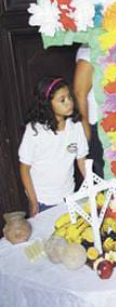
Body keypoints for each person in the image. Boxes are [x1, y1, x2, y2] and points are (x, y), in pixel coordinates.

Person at [19, 77, 88, 216]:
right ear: (47, 104)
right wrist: (33, 202)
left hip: (68, 197)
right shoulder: (35, 131)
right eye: (62, 100)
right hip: (43, 201)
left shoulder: (75, 127)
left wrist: (92, 187)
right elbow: (24, 168)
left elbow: (82, 160)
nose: (69, 102)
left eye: (69, 97)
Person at [72, 46, 104, 177]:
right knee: (104, 178)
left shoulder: (115, 47)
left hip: (115, 122)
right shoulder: (88, 52)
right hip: (96, 126)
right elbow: (80, 94)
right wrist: (86, 133)